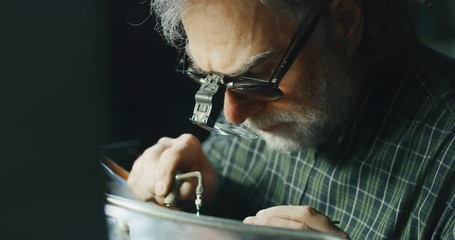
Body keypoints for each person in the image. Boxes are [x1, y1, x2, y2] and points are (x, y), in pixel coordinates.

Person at [127, 0, 455, 239]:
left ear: (343, 23)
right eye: (211, 78)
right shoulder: (252, 101)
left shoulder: (445, 157)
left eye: (256, 75)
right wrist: (199, 198)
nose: (234, 116)